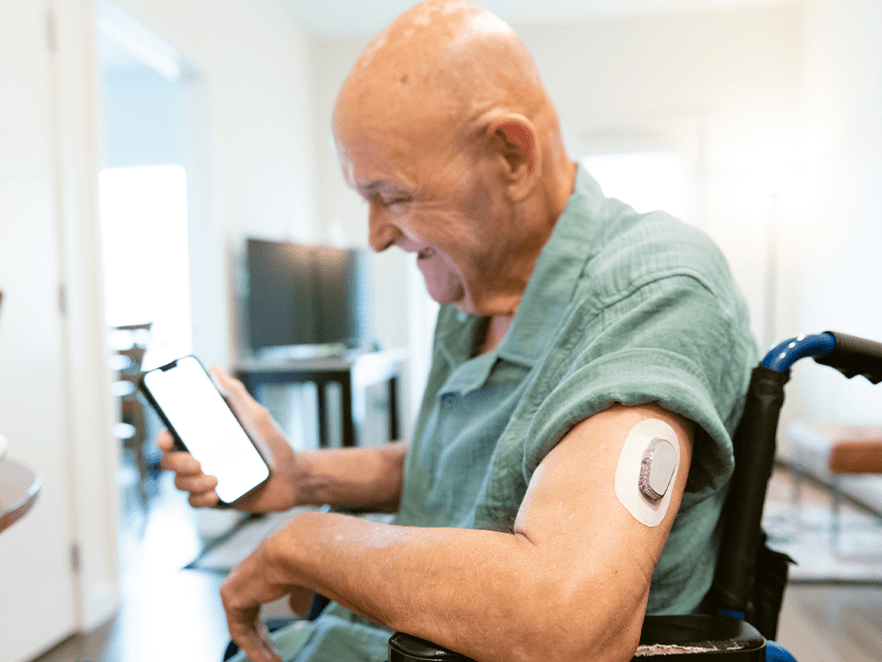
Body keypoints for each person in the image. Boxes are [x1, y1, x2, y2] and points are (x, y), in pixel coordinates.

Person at [159, 1, 757, 660]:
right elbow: (452, 467)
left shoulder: (656, 289)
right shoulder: (471, 286)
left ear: (511, 155)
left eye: (393, 196)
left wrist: (307, 543)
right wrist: (301, 477)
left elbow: (564, 621)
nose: (376, 237)